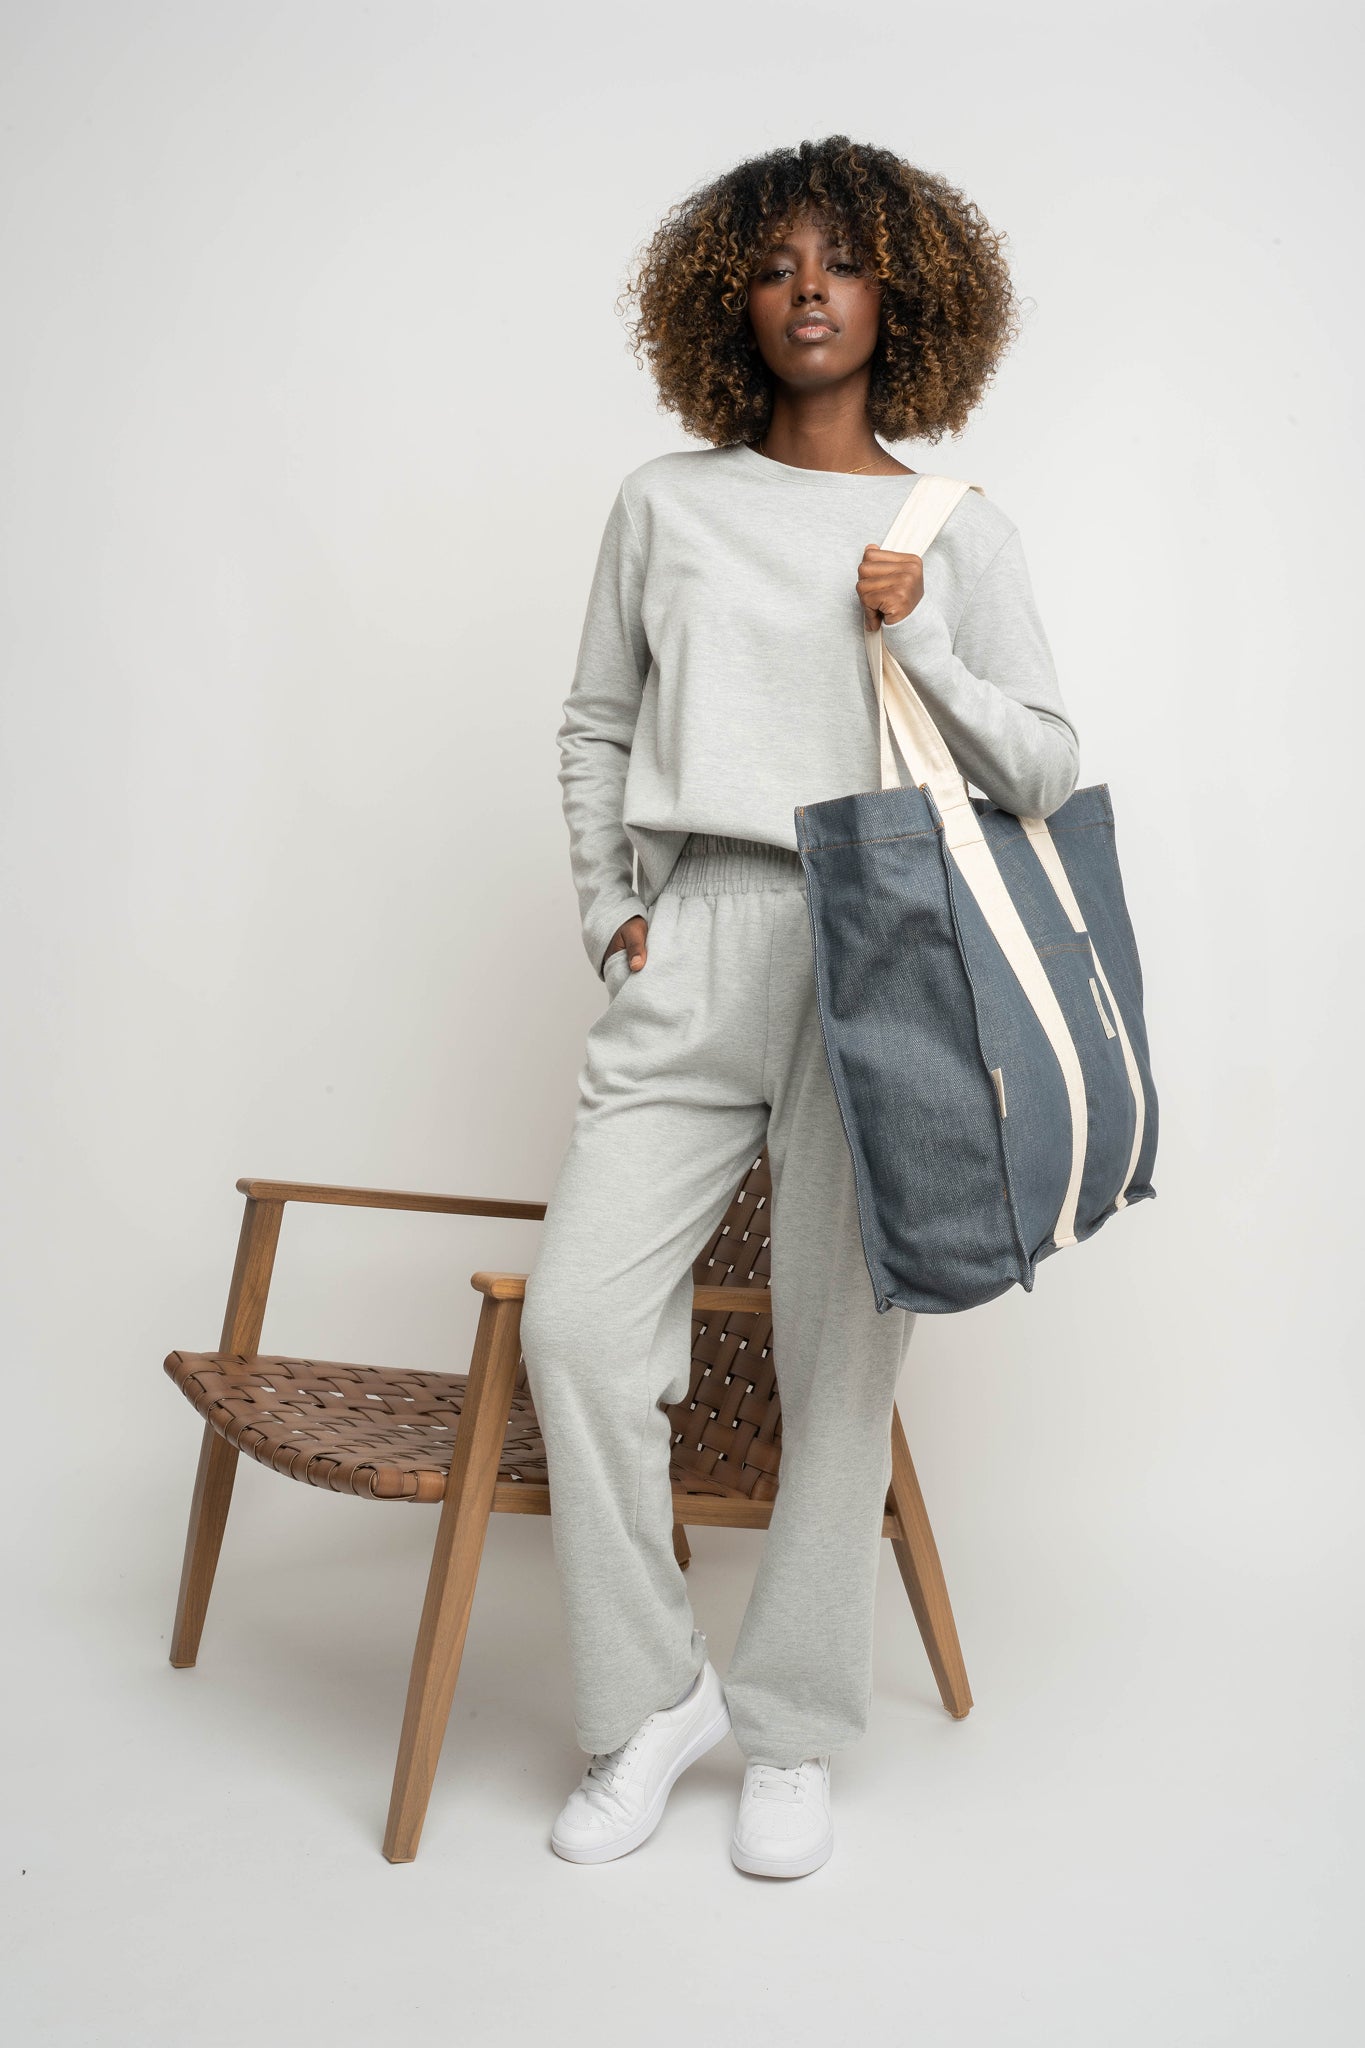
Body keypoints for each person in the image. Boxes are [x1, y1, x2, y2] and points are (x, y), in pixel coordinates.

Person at [519, 135, 1080, 1879]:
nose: (808, 290)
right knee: (578, 1330)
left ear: (902, 293)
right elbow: (595, 722)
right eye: (771, 265)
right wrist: (614, 915)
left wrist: (921, 645)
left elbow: (1046, 770)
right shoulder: (663, 502)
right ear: (726, 301)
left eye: (840, 260)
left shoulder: (952, 531)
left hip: (880, 947)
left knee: (841, 1358)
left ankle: (790, 1728)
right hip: (696, 930)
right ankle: (647, 1697)